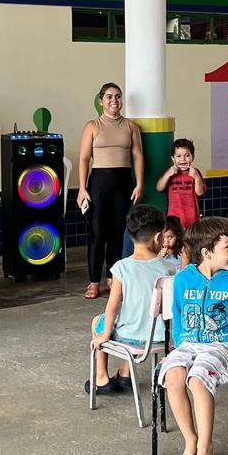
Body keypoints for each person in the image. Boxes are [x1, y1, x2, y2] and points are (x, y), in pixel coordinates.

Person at [159, 217, 228, 455]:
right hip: (188, 344)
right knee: (173, 375)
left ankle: (205, 447)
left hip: (223, 344)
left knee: (198, 379)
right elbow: (178, 319)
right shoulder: (182, 279)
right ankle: (190, 442)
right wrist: (178, 349)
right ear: (207, 252)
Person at [87, 205, 173, 395]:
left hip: (130, 337)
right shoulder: (168, 268)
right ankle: (125, 373)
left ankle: (101, 378)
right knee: (137, 316)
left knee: (98, 321)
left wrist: (105, 334)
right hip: (162, 336)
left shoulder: (122, 267)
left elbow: (112, 305)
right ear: (158, 237)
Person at [76, 83, 144, 301]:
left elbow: (138, 156)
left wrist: (139, 183)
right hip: (99, 183)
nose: (114, 100)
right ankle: (94, 281)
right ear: (101, 101)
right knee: (97, 233)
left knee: (117, 233)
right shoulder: (92, 126)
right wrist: (82, 188)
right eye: (109, 97)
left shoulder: (131, 126)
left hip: (123, 182)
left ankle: (111, 278)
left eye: (118, 96)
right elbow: (84, 159)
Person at [154, 138, 204, 230]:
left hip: (192, 219)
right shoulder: (170, 172)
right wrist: (168, 174)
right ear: (173, 158)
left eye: (187, 155)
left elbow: (200, 192)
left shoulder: (195, 172)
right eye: (179, 156)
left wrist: (196, 177)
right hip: (174, 220)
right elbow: (159, 188)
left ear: (193, 157)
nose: (183, 159)